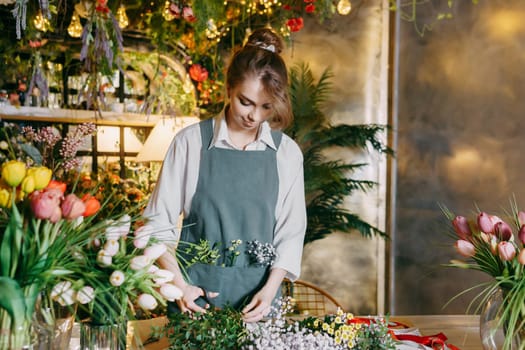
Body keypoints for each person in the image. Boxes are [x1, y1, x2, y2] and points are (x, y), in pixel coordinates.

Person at [143, 28, 306, 323]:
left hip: (260, 305)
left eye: (266, 107)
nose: (253, 116)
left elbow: (291, 233)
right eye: (246, 101)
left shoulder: (287, 154)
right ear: (229, 88)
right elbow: (157, 223)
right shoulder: (190, 142)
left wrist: (270, 292)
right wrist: (180, 287)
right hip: (195, 300)